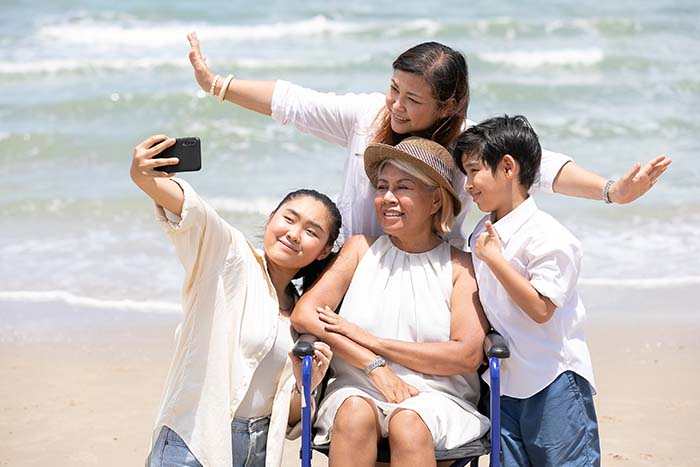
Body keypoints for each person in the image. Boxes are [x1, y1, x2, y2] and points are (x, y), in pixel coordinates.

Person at [186, 32, 671, 244]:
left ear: (447, 106)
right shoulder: (368, 115)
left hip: (428, 270)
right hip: (356, 266)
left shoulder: (469, 143)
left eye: (412, 100)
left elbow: (541, 166)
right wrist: (217, 85)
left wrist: (612, 191)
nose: (396, 106)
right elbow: (293, 101)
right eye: (393, 89)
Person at [130, 134, 338, 467]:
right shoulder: (231, 258)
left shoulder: (305, 315)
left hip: (258, 452)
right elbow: (196, 214)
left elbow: (289, 422)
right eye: (289, 218)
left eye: (312, 231)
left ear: (325, 250)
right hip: (196, 439)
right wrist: (145, 176)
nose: (294, 234)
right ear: (271, 218)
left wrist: (305, 382)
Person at [290, 137, 491, 467]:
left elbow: (466, 355)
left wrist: (374, 341)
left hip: (437, 399)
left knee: (408, 421)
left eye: (403, 187)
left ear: (436, 200)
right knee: (355, 412)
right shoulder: (360, 250)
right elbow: (304, 315)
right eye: (382, 187)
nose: (387, 198)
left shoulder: (459, 267)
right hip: (357, 388)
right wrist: (374, 365)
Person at [455, 115, 600, 466]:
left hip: (553, 380)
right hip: (504, 383)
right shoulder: (482, 232)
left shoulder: (549, 235)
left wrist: (495, 260)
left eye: (475, 170)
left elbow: (540, 309)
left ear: (507, 167)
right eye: (466, 173)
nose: (469, 183)